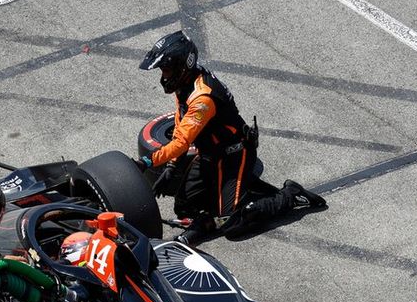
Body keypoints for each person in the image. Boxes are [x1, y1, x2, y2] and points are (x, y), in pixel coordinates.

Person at [138, 30, 324, 245]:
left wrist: (147, 162)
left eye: (167, 70)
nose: (164, 76)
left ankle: (290, 195)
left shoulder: (202, 98)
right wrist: (172, 166)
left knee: (232, 225)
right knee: (184, 208)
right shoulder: (185, 85)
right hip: (210, 155)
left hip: (234, 155)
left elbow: (182, 142)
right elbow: (180, 123)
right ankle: (241, 193)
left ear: (182, 66)